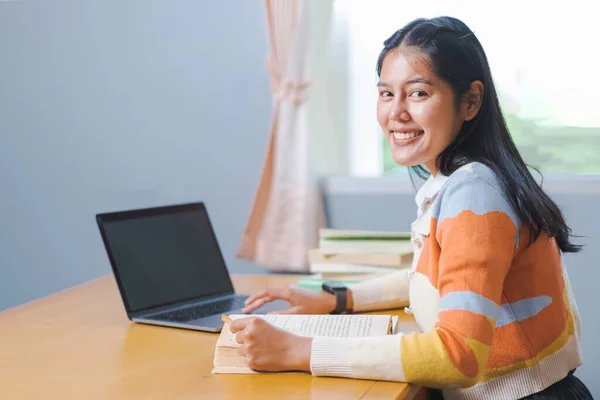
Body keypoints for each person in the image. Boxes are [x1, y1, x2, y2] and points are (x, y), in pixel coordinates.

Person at [229, 16, 593, 400]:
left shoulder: (474, 193)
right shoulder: (457, 180)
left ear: (470, 101)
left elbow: (460, 355)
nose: (396, 113)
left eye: (417, 93)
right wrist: (340, 298)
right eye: (386, 94)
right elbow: (430, 275)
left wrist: (299, 351)